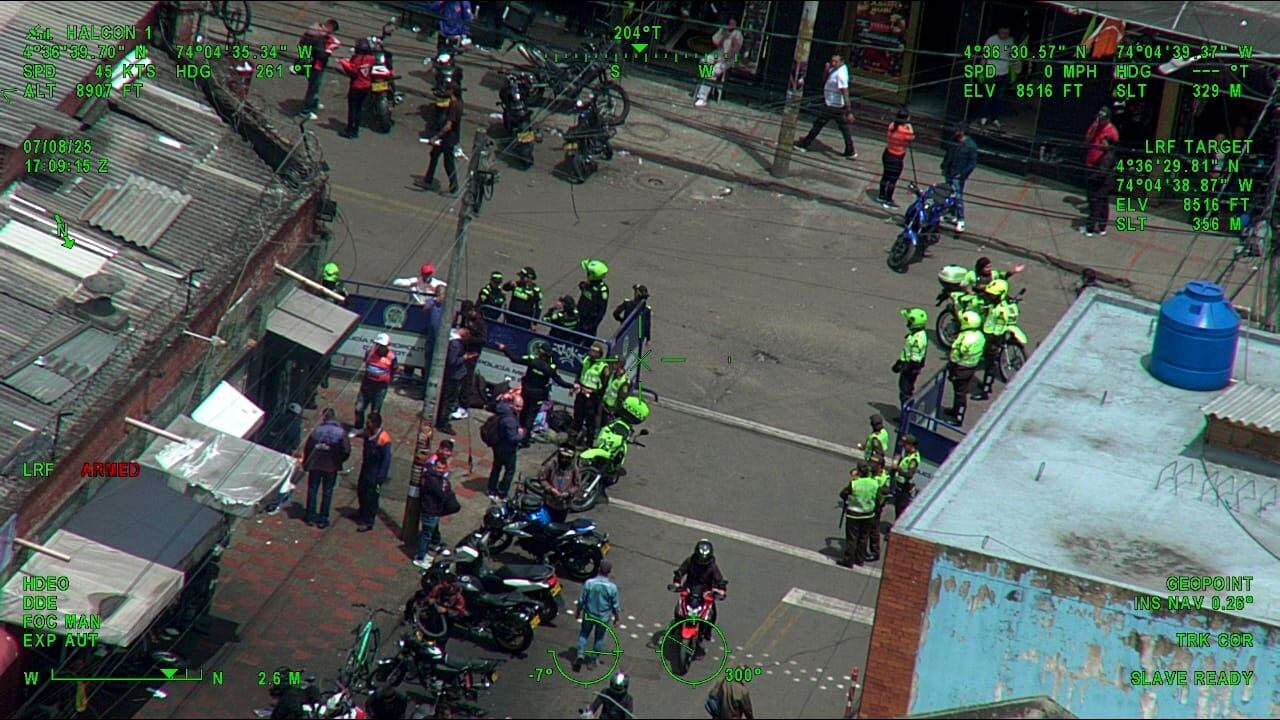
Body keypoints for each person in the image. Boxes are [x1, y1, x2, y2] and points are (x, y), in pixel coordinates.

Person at [499, 342, 573, 443]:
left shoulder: (532, 360)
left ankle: (519, 433)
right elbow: (560, 382)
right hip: (538, 394)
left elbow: (514, 359)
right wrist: (572, 385)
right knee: (531, 416)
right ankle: (524, 438)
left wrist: (504, 349)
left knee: (523, 412)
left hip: (527, 391)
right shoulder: (550, 368)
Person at [796, 54, 855, 159]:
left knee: (818, 125)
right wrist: (826, 69)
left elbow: (845, 93)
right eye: (832, 61)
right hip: (832, 104)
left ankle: (805, 144)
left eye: (836, 62)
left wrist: (849, 111)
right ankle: (850, 151)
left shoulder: (841, 75)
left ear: (841, 62)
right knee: (844, 129)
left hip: (833, 106)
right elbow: (825, 79)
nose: (833, 63)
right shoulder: (836, 68)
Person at [673, 540, 728, 650]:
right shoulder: (690, 561)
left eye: (704, 558)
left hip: (705, 592)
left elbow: (719, 580)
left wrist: (721, 590)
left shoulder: (712, 566)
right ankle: (676, 626)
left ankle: (707, 631)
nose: (702, 560)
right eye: (700, 557)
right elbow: (680, 571)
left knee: (713, 614)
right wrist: (677, 582)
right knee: (678, 609)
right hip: (690, 589)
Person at [303, 408, 350, 529]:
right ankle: (323, 519)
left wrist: (306, 463)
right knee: (327, 492)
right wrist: (338, 460)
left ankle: (310, 517)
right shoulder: (340, 433)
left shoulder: (316, 431)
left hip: (315, 465)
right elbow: (346, 450)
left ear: (324, 417)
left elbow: (308, 448)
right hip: (331, 466)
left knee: (313, 490)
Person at [574, 559, 620, 672]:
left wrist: (578, 611)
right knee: (599, 638)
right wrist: (617, 617)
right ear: (609, 571)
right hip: (603, 618)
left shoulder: (589, 583)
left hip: (589, 614)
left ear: (599, 568)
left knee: (584, 634)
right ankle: (593, 660)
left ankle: (580, 654)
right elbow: (615, 605)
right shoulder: (612, 588)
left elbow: (581, 600)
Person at [974, 279, 1015, 401]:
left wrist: (989, 342)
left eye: (993, 295)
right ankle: (986, 385)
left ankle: (985, 390)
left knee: (990, 365)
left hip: (993, 340)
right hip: (990, 335)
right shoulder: (995, 303)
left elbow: (998, 330)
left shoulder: (1002, 311)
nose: (990, 296)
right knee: (988, 364)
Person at [414, 440, 454, 567]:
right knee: (426, 532)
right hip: (430, 508)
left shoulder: (439, 470)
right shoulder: (432, 475)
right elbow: (440, 492)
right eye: (445, 450)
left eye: (449, 451)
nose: (447, 453)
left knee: (431, 529)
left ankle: (433, 545)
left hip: (435, 509)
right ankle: (420, 556)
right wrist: (445, 489)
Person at [263, 403, 304, 515]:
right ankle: (272, 504)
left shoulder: (277, 418)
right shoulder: (295, 425)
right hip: (283, 455)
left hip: (269, 451)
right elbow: (295, 443)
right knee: (281, 480)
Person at [946, 311, 986, 425]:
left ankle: (958, 417)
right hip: (971, 366)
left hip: (961, 367)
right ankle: (955, 411)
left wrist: (952, 365)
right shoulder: (979, 335)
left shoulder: (966, 338)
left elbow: (957, 353)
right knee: (958, 391)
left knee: (960, 392)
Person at [354, 412, 392, 532]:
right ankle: (361, 512)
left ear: (375, 424)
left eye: (369, 422)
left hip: (375, 472)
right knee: (361, 491)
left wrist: (381, 476)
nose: (367, 424)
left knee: (371, 497)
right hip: (366, 468)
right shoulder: (368, 433)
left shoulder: (384, 438)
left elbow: (386, 459)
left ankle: (368, 521)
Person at [695, 17, 744, 107]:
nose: (731, 25)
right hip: (718, 53)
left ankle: (703, 97)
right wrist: (723, 34)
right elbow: (715, 41)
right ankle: (704, 84)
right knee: (704, 62)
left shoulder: (738, 34)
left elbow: (735, 50)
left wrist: (733, 41)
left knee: (714, 71)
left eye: (733, 23)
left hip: (729, 57)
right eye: (730, 23)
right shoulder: (723, 29)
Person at [297, 18, 340, 120]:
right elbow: (321, 55)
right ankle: (306, 111)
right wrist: (330, 49)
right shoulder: (319, 37)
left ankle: (314, 102)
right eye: (332, 31)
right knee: (313, 87)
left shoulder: (311, 32)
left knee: (314, 86)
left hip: (307, 62)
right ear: (330, 27)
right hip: (316, 65)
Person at [421, 87, 461, 195]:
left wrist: (436, 137)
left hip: (448, 139)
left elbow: (448, 126)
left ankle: (454, 188)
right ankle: (428, 180)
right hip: (447, 138)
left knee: (448, 163)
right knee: (434, 155)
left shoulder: (453, 106)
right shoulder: (458, 103)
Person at [839, 462, 879, 567]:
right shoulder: (874, 483)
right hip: (868, 514)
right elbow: (878, 498)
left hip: (854, 514)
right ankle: (859, 560)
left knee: (852, 538)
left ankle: (848, 560)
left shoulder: (854, 483)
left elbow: (843, 494)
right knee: (863, 537)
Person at [355, 333, 397, 430]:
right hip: (366, 385)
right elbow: (366, 363)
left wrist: (388, 380)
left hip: (380, 388)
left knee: (375, 412)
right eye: (378, 344)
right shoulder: (369, 352)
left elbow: (395, 370)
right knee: (358, 408)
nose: (379, 347)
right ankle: (358, 428)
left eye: (382, 346)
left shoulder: (391, 357)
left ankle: (371, 430)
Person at [941, 125, 978, 232]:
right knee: (949, 194)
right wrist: (944, 165)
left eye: (957, 130)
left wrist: (962, 174)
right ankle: (952, 213)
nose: (955, 132)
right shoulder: (955, 141)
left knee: (958, 197)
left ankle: (961, 219)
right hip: (949, 172)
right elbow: (948, 153)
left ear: (962, 132)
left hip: (958, 175)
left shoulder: (971, 146)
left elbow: (972, 164)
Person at [877, 109, 915, 209]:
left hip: (887, 153)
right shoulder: (905, 131)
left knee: (885, 175)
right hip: (897, 157)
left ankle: (881, 195)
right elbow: (911, 137)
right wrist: (910, 127)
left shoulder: (892, 125)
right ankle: (888, 200)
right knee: (893, 179)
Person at [486, 399, 524, 500]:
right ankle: (502, 493)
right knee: (510, 471)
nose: (520, 409)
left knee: (496, 468)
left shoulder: (503, 409)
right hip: (507, 449)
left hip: (497, 445)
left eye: (521, 406)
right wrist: (521, 434)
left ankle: (491, 489)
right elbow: (513, 438)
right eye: (518, 406)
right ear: (512, 405)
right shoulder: (510, 420)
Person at [337, 39, 375, 139]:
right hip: (366, 87)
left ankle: (351, 130)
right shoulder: (371, 58)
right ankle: (355, 129)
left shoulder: (357, 59)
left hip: (356, 87)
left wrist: (343, 63)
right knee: (359, 110)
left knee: (353, 109)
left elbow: (352, 72)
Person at [572, 342, 609, 445]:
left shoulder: (603, 367)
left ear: (600, 354)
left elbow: (604, 386)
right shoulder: (586, 360)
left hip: (593, 397)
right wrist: (576, 384)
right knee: (577, 416)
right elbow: (580, 374)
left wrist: (594, 392)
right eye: (591, 351)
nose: (592, 353)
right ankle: (573, 439)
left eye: (595, 352)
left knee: (590, 420)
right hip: (581, 392)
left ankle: (589, 443)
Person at [978, 26, 1015, 128]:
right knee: (987, 96)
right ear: (999, 31)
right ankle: (984, 117)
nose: (1005, 35)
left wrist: (1012, 72)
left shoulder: (1011, 41)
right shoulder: (991, 40)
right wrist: (981, 71)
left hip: (1004, 74)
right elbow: (984, 56)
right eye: (1003, 33)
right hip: (991, 73)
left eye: (1007, 33)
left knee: (998, 98)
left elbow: (1011, 57)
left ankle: (995, 118)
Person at [435, 328, 469, 435]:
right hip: (453, 376)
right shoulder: (456, 344)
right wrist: (464, 357)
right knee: (448, 401)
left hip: (452, 375)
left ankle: (441, 420)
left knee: (446, 399)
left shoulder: (452, 341)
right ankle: (443, 423)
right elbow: (453, 361)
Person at [537, 443, 580, 523]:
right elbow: (542, 479)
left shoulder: (574, 469)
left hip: (564, 505)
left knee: (558, 527)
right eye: (562, 457)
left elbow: (577, 486)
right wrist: (551, 489)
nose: (564, 460)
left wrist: (568, 493)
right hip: (549, 503)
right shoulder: (551, 465)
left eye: (567, 458)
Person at [457, 301, 488, 414]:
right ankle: (456, 400)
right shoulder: (465, 318)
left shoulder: (480, 323)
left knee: (467, 379)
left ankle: (463, 405)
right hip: (462, 350)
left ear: (472, 311)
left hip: (472, 353)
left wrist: (468, 338)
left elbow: (482, 340)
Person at [894, 307, 928, 404]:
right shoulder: (917, 334)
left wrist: (903, 366)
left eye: (909, 321)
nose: (907, 323)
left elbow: (915, 361)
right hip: (908, 366)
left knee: (906, 392)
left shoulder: (917, 340)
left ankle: (906, 416)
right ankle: (905, 414)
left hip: (910, 370)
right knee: (905, 390)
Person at [1083, 140, 1115, 237]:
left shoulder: (1107, 157)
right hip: (1106, 185)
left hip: (1101, 185)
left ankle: (1090, 229)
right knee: (1104, 207)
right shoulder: (1111, 155)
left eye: (1104, 143)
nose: (1101, 145)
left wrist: (1091, 177)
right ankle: (1102, 228)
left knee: (1096, 206)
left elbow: (1102, 172)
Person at [577, 259, 611, 337]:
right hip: (580, 317)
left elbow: (601, 310)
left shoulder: (602, 290)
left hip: (589, 324)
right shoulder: (589, 284)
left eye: (588, 272)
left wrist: (591, 325)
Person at [891, 434, 921, 520]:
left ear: (911, 445)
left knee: (901, 510)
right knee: (897, 508)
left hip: (905, 488)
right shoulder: (907, 454)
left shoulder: (913, 459)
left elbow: (909, 474)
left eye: (905, 445)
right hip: (899, 485)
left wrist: (898, 469)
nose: (903, 447)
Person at [599, 358, 631, 426]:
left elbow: (622, 398)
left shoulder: (624, 380)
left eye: (615, 363)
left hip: (612, 409)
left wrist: (615, 410)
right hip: (605, 404)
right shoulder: (613, 373)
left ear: (620, 365)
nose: (613, 365)